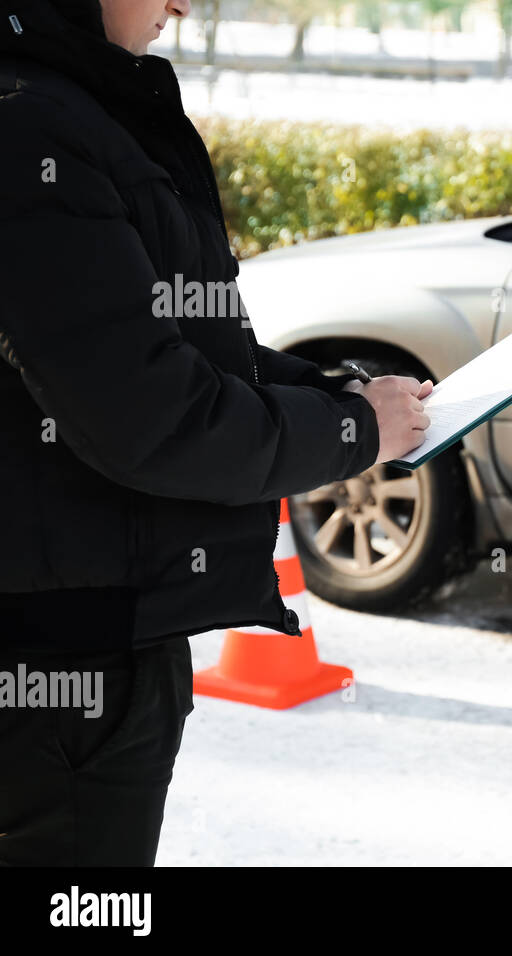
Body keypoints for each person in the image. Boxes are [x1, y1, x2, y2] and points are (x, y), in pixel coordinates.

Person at [0, 0, 432, 865]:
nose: (181, 4)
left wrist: (339, 392)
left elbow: (158, 343)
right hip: (64, 677)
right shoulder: (32, 123)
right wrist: (349, 434)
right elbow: (149, 413)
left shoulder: (67, 106)